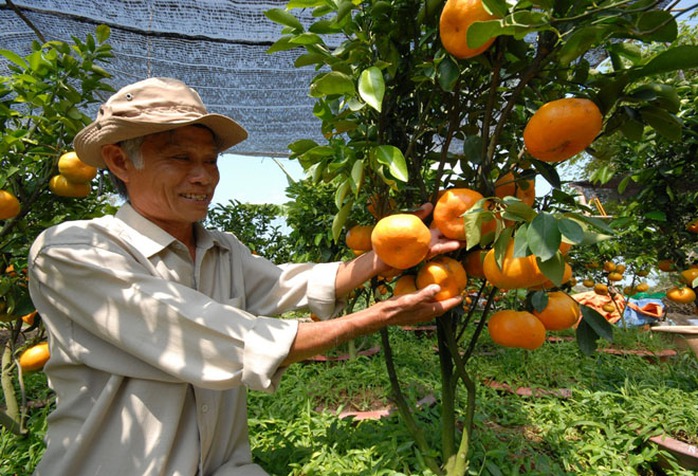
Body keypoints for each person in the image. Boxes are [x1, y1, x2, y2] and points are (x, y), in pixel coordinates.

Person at [27, 77, 463, 476]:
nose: (203, 177)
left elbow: (290, 284)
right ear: (120, 160)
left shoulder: (222, 249)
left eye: (210, 160)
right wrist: (376, 317)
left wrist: (388, 255)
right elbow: (207, 336)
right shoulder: (72, 253)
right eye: (180, 158)